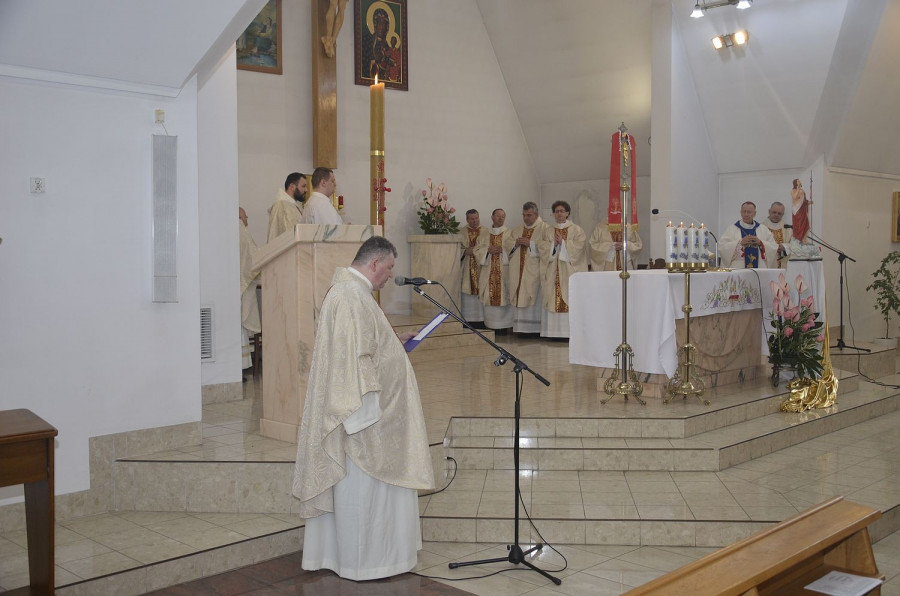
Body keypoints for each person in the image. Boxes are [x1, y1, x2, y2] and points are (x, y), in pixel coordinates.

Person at [292, 236, 434, 580]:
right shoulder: (351, 297)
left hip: (370, 416)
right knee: (365, 495)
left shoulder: (352, 293)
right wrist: (367, 420)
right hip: (366, 424)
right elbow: (353, 363)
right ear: (374, 263)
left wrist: (392, 341)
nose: (390, 275)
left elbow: (363, 346)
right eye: (389, 268)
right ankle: (367, 563)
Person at [540, 201, 587, 338]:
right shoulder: (548, 231)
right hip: (552, 271)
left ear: (567, 213)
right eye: (556, 211)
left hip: (569, 271)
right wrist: (553, 245)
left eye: (562, 211)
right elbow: (542, 248)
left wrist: (564, 243)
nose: (559, 214)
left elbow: (580, 248)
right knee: (552, 297)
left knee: (569, 296)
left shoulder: (577, 230)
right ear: (553, 214)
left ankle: (568, 333)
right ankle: (552, 333)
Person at [504, 202, 546, 335]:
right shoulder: (517, 230)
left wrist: (531, 244)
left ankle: (534, 330)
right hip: (518, 270)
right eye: (524, 215)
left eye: (529, 215)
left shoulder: (545, 228)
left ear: (536, 215)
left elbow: (547, 248)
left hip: (534, 271)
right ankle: (521, 329)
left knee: (534, 295)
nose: (526, 218)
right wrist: (515, 244)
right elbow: (507, 245)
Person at [478, 208, 513, 331]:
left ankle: (505, 326)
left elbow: (514, 250)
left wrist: (502, 250)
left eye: (503, 216)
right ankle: (491, 325)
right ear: (492, 217)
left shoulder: (510, 233)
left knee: (505, 295)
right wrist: (487, 251)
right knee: (489, 296)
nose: (500, 218)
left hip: (504, 272)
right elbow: (477, 250)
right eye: (498, 216)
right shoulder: (484, 234)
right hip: (488, 271)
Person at [718, 201, 777, 269]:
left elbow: (773, 247)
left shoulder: (763, 229)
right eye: (744, 211)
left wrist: (761, 243)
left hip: (759, 269)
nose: (746, 214)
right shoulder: (732, 229)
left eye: (749, 212)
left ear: (754, 214)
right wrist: (739, 243)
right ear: (741, 212)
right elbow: (722, 247)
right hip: (738, 269)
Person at [239, 208, 261, 371]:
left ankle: (236, 368)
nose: (247, 219)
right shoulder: (241, 231)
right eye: (245, 216)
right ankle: (239, 366)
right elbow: (253, 258)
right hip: (241, 287)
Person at [459, 209, 489, 327]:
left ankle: (482, 321)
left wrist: (476, 251)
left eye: (476, 218)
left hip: (481, 266)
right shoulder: (461, 232)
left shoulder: (486, 231)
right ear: (467, 219)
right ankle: (467, 320)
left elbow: (488, 247)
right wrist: (465, 251)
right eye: (472, 219)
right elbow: (456, 249)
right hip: (467, 267)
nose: (475, 221)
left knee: (481, 291)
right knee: (467, 294)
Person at [267, 173, 307, 242]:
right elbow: (277, 235)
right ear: (292, 187)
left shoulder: (292, 205)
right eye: (303, 186)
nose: (306, 190)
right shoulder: (281, 205)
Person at [789, 178, 821, 259]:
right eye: (798, 181)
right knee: (799, 225)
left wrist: (808, 202)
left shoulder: (802, 191)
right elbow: (795, 197)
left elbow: (803, 201)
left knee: (806, 224)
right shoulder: (793, 191)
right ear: (795, 183)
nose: (800, 182)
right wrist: (798, 188)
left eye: (800, 181)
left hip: (803, 210)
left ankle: (804, 239)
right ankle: (798, 240)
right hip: (797, 211)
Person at [763, 201, 791, 268]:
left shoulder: (788, 229)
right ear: (769, 211)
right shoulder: (761, 227)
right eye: (774, 212)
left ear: (782, 214)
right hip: (766, 264)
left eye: (779, 213)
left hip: (782, 265)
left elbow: (794, 245)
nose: (776, 215)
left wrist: (785, 247)